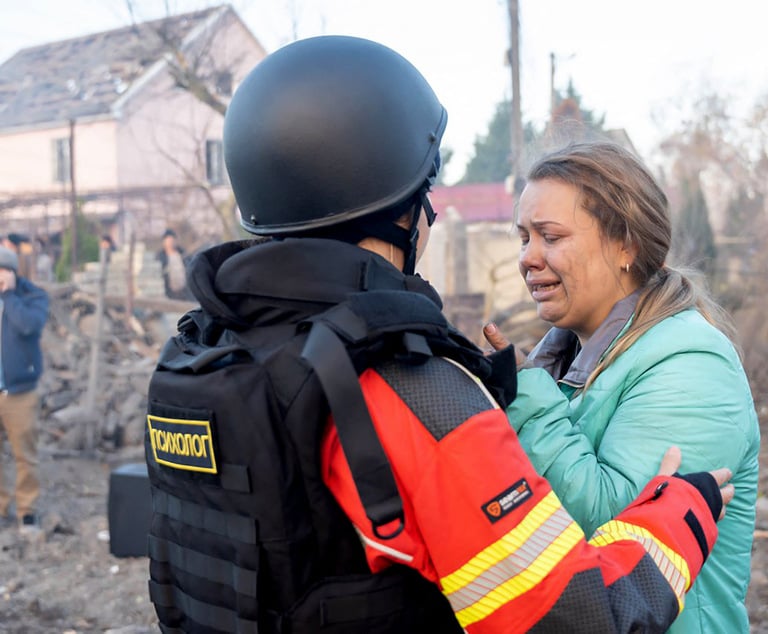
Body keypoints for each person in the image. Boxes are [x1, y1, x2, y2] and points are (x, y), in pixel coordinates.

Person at [145, 36, 735, 634]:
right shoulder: (409, 387)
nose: (530, 256)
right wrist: (678, 514)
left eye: (549, 236)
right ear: (404, 211)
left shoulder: (200, 356)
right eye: (424, 196)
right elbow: (580, 619)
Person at [483, 141, 761, 633]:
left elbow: (621, 541)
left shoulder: (691, 363)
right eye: (524, 237)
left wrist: (524, 397)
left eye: (550, 236)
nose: (528, 257)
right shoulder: (565, 362)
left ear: (625, 244)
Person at [0, 246, 49, 535]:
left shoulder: (32, 297)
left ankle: (27, 510)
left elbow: (29, 326)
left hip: (20, 393)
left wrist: (9, 296)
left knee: (25, 454)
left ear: (13, 273)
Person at [155, 228, 190, 300]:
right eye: (168, 240)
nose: (170, 242)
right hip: (168, 294)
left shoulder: (183, 254)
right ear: (164, 242)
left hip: (185, 294)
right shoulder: (160, 257)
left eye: (172, 240)